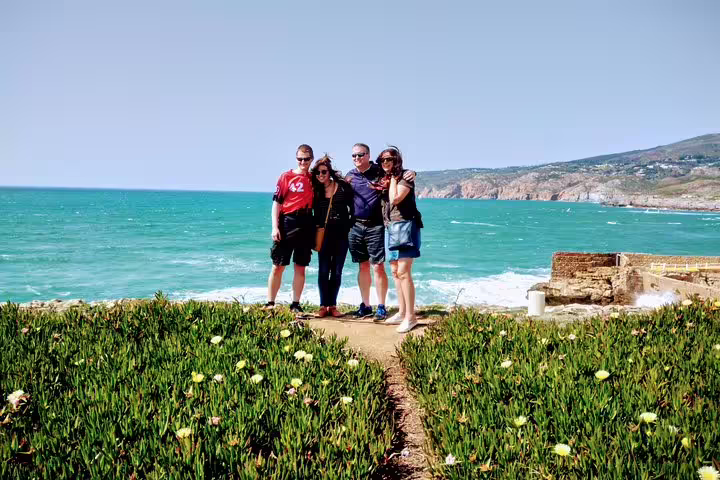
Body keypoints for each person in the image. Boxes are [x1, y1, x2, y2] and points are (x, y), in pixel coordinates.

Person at [345, 143, 415, 321]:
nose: (356, 159)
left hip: (376, 226)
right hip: (355, 225)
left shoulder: (379, 171)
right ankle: (366, 305)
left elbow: (398, 173)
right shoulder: (349, 176)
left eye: (360, 155)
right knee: (363, 266)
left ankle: (381, 306)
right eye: (353, 156)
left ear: (368, 155)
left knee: (378, 266)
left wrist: (413, 172)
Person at [266, 144, 315, 313]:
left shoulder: (314, 178)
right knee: (278, 265)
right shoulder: (286, 176)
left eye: (306, 159)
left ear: (311, 159)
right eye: (300, 159)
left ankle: (295, 303)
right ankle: (270, 302)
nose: (303, 162)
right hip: (287, 222)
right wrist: (275, 227)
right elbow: (276, 203)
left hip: (307, 222)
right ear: (296, 159)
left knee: (300, 266)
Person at [378, 146, 422, 333]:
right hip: (391, 227)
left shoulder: (404, 177)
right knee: (395, 271)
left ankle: (411, 317)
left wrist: (396, 178)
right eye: (383, 160)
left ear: (397, 160)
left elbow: (396, 199)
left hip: (406, 226)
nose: (386, 163)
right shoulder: (385, 178)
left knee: (404, 271)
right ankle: (402, 312)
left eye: (390, 159)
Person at [310, 155, 354, 317]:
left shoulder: (343, 187)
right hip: (323, 234)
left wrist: (349, 226)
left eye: (323, 172)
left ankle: (333, 306)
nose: (320, 175)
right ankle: (323, 306)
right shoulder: (315, 189)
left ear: (329, 172)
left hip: (341, 235)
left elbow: (353, 208)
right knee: (323, 270)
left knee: (336, 272)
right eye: (317, 172)